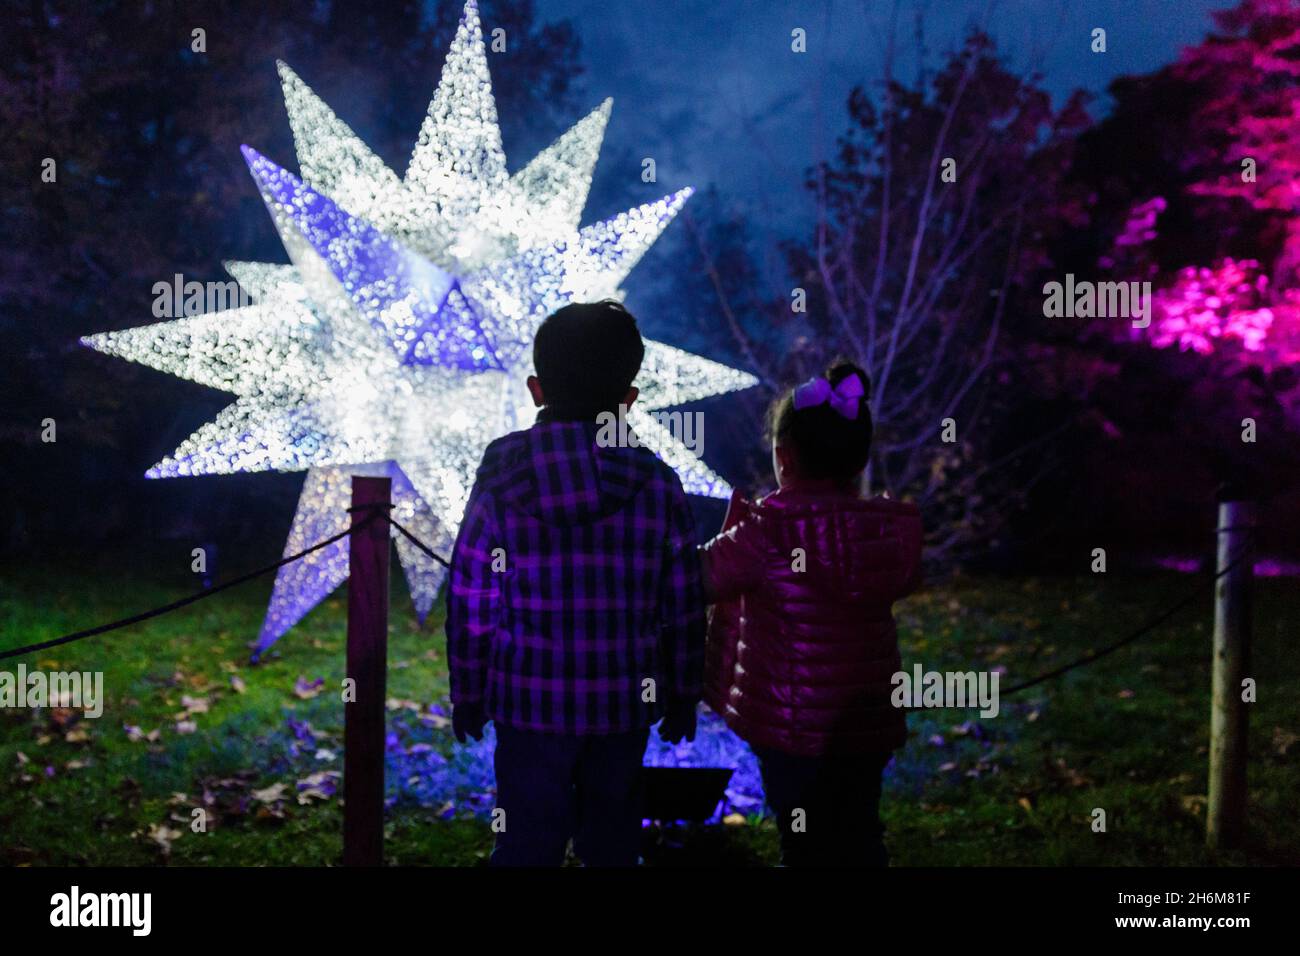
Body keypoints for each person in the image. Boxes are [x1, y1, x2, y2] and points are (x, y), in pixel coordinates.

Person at [445, 299, 705, 867]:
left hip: (528, 703)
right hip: (622, 705)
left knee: (525, 842)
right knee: (612, 843)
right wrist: (683, 693)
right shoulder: (658, 483)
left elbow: (471, 590)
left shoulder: (501, 471)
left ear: (537, 390)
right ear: (629, 399)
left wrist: (468, 689)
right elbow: (683, 601)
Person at [701, 360, 922, 866]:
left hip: (791, 728)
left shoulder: (763, 532)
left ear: (783, 457)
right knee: (861, 828)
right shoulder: (885, 530)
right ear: (861, 460)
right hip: (866, 722)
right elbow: (908, 577)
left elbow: (700, 578)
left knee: (802, 839)